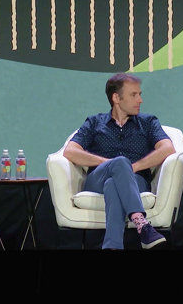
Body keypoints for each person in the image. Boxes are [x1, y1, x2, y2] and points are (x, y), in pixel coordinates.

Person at [63, 73, 175, 250]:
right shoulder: (94, 122)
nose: (140, 100)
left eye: (140, 94)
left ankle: (112, 246)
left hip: (135, 181)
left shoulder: (147, 122)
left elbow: (168, 148)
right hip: (96, 179)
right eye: (134, 95)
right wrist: (113, 164)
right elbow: (70, 151)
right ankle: (142, 223)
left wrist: (132, 168)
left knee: (112, 185)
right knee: (117, 165)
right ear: (116, 98)